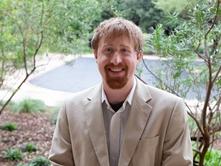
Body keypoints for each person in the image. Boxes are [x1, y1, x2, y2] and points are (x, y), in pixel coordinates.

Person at [49, 17, 193, 166]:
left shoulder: (170, 109)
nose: (116, 60)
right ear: (96, 55)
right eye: (108, 50)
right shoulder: (70, 109)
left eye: (124, 50)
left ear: (138, 56)